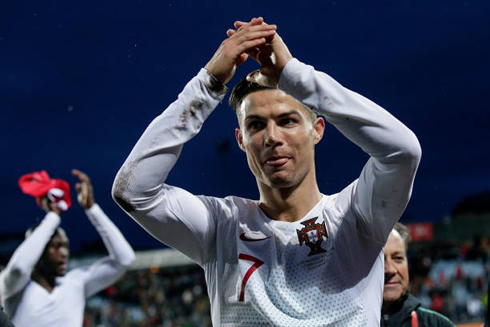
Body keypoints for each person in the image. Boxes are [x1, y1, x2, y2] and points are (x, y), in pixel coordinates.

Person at [112, 17, 421, 326]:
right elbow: (133, 191)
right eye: (256, 125)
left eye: (287, 120)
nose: (272, 137)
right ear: (241, 140)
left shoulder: (355, 216)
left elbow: (402, 151)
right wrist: (207, 85)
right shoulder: (222, 227)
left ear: (317, 129)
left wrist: (294, 75)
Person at [0, 169, 135, 326]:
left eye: (65, 246)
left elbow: (125, 259)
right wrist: (53, 217)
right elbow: (19, 268)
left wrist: (92, 209)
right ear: (38, 251)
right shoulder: (14, 288)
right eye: (55, 247)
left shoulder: (75, 283)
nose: (64, 253)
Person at [381, 223, 455, 326]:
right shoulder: (352, 323)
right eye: (379, 261)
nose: (390, 269)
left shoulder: (438, 324)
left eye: (398, 258)